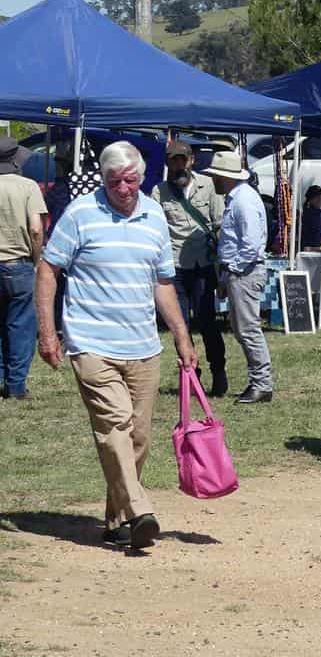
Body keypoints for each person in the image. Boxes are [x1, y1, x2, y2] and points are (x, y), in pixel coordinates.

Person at [35, 140, 196, 549]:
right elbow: (48, 269)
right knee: (114, 426)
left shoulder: (154, 214)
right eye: (114, 182)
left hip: (143, 345)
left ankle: (116, 518)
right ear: (103, 179)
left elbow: (162, 282)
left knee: (138, 437)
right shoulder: (81, 214)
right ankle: (141, 510)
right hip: (91, 343)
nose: (123, 189)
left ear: (142, 177)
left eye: (130, 180)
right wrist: (48, 332)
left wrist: (181, 334)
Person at [152, 140, 227, 397]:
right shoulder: (159, 192)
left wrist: (220, 263)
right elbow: (156, 230)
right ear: (167, 163)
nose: (178, 164)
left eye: (182, 159)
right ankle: (191, 376)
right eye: (173, 160)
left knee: (208, 323)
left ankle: (219, 371)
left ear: (192, 160)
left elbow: (220, 224)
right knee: (180, 324)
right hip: (175, 266)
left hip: (203, 264)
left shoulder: (209, 186)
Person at [209, 150, 274, 404]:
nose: (213, 179)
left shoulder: (242, 200)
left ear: (226, 177)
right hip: (240, 270)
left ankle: (262, 384)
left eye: (216, 175)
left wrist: (233, 269)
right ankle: (259, 382)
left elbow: (251, 243)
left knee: (247, 329)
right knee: (242, 328)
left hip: (245, 271)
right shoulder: (238, 197)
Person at [0, 136, 46, 400]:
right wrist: (36, 259)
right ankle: (16, 386)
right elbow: (36, 229)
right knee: (20, 326)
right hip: (18, 264)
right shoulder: (28, 186)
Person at [299, 185, 321, 251]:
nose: (320, 200)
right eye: (317, 197)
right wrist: (320, 248)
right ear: (310, 199)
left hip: (316, 252)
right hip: (309, 254)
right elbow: (307, 246)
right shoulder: (309, 215)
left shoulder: (317, 215)